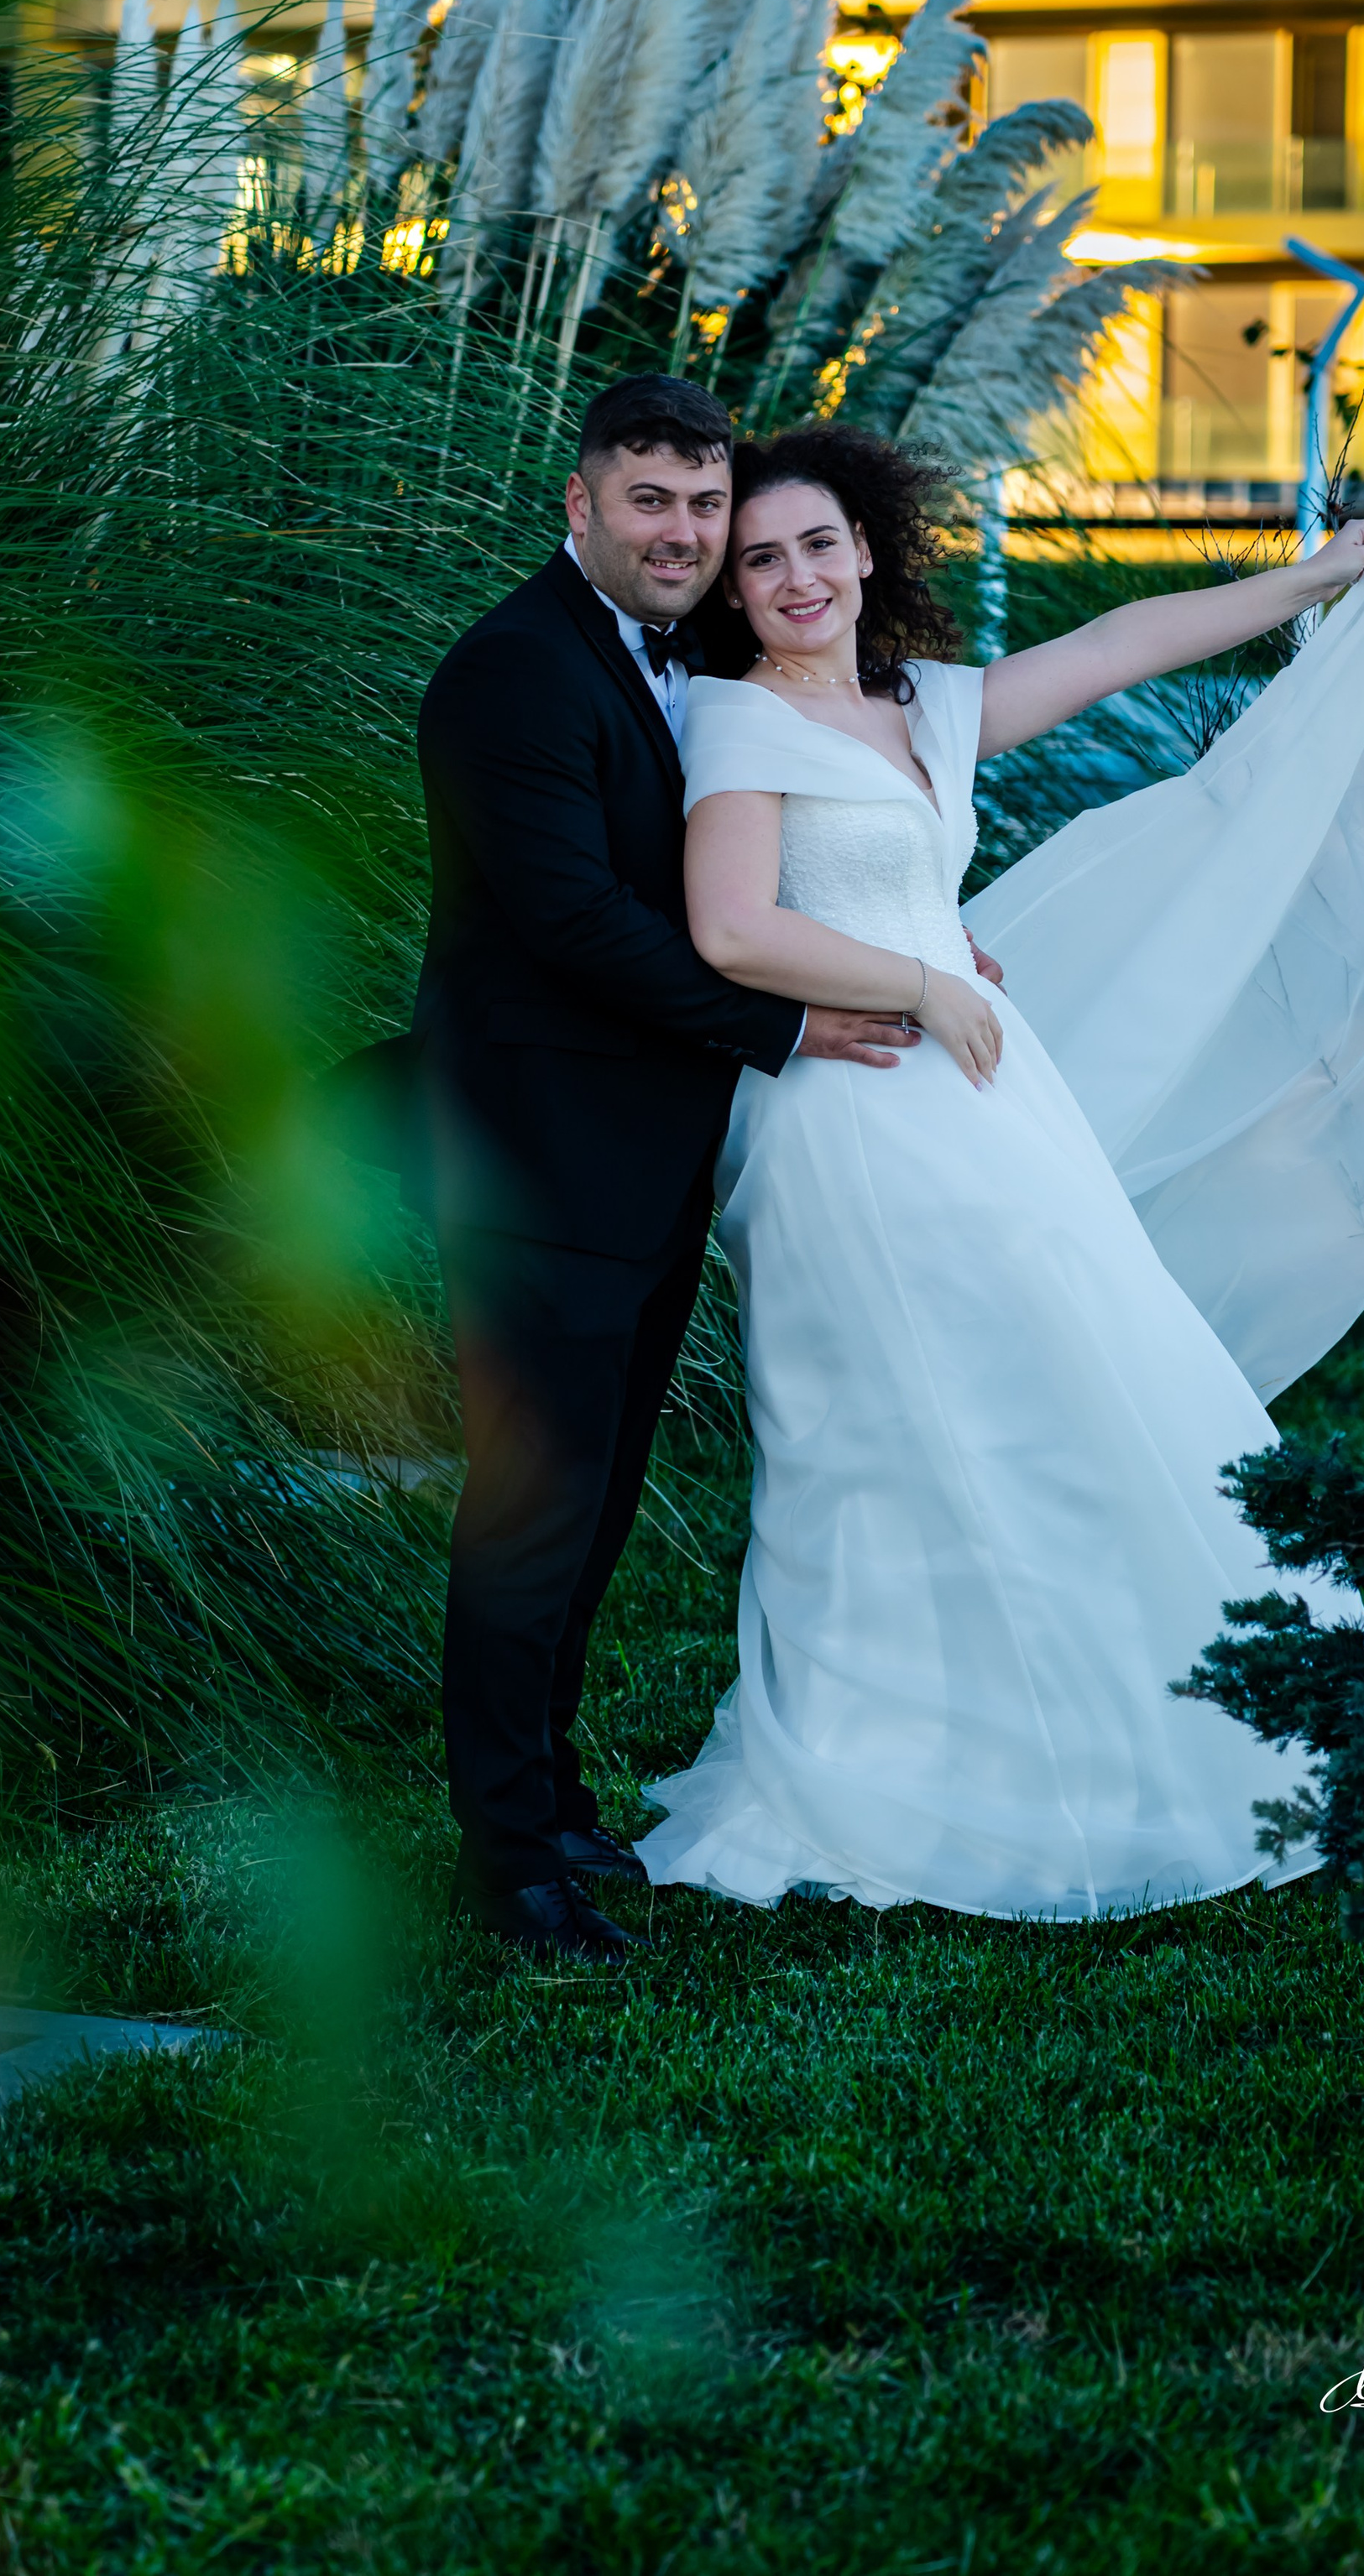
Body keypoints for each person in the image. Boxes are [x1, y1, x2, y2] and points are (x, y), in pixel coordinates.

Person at [635, 424, 1364, 1921]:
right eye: (761, 557)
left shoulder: (917, 705)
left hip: (977, 1101)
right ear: (732, 585)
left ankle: (1124, 1720)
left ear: (868, 550)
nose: (795, 577)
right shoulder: (737, 721)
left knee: (1082, 1375)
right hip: (850, 1116)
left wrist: (1315, 577)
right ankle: (890, 1753)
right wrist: (924, 980)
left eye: (820, 544)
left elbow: (1115, 646)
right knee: (886, 1428)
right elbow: (730, 927)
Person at [408, 377, 976, 1969]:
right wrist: (789, 1022)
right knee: (530, 1512)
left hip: (646, 1160)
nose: (683, 533)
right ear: (579, 504)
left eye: (705, 504)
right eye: (648, 500)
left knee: (585, 1511)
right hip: (535, 1162)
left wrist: (916, 944)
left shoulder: (692, 665)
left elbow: (763, 860)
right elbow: (576, 924)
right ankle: (509, 1863)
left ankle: (551, 1797)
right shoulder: (512, 672)